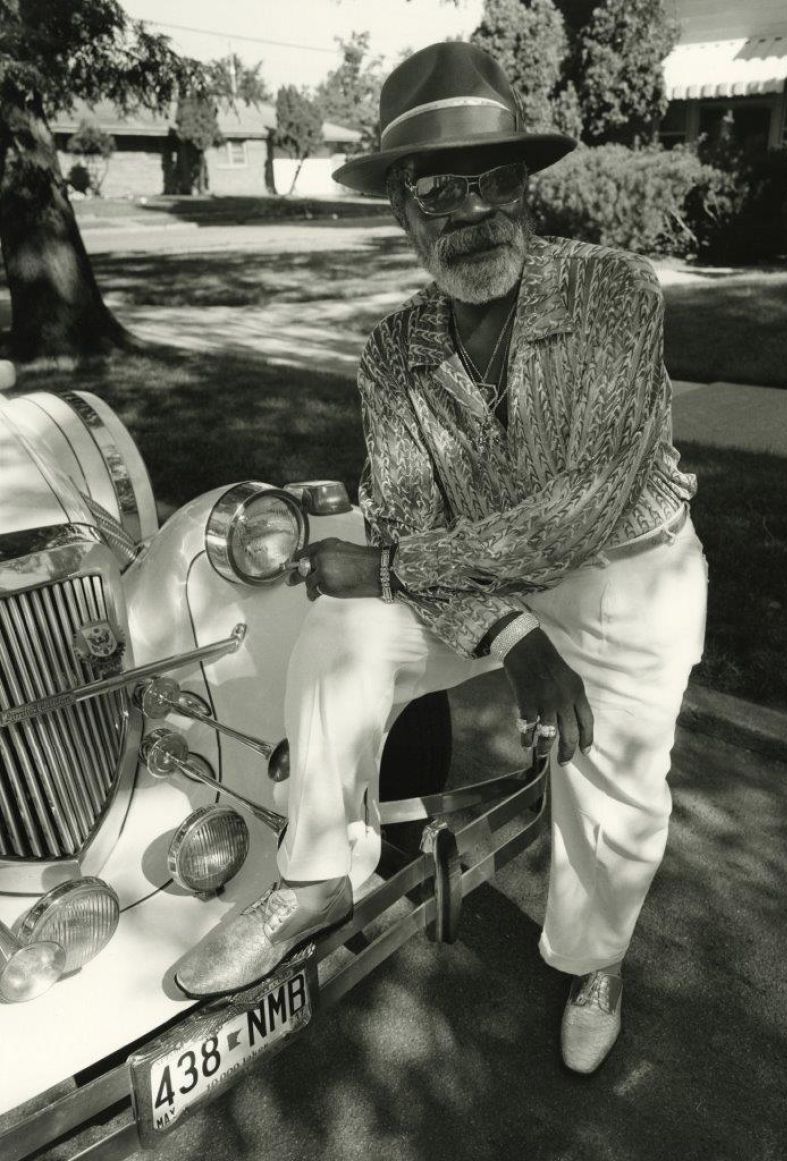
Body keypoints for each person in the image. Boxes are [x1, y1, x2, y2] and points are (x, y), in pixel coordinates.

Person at [176, 41, 707, 1075]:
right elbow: (410, 521)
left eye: (495, 179)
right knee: (341, 630)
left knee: (616, 799)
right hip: (475, 588)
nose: (472, 212)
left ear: (527, 186)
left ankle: (592, 960)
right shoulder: (391, 353)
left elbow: (582, 507)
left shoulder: (612, 292)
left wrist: (389, 571)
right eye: (436, 190)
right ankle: (315, 873)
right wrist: (510, 636)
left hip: (630, 572)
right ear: (400, 211)